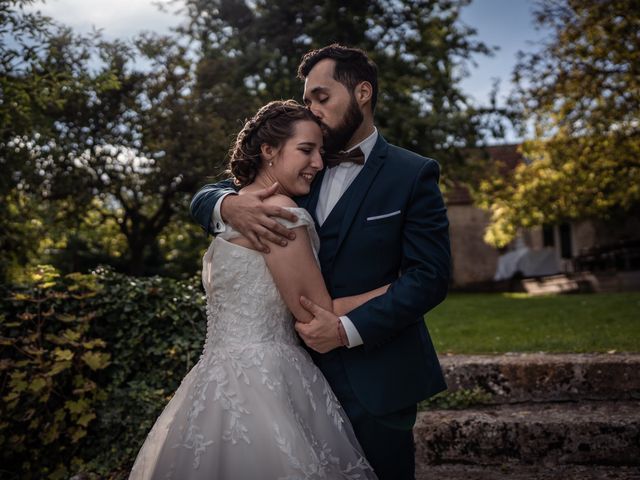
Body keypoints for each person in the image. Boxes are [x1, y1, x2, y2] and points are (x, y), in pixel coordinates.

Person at [190, 44, 451, 480]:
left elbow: (430, 276)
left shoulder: (413, 174)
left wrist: (347, 329)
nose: (311, 108)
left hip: (378, 377)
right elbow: (212, 192)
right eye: (307, 99)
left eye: (321, 97)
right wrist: (227, 206)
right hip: (289, 381)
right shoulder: (302, 159)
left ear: (362, 92)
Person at [129, 100, 379, 479]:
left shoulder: (237, 215)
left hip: (213, 378)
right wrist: (394, 290)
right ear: (268, 150)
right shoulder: (280, 214)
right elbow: (315, 311)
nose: (318, 163)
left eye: (321, 153)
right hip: (268, 378)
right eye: (306, 150)